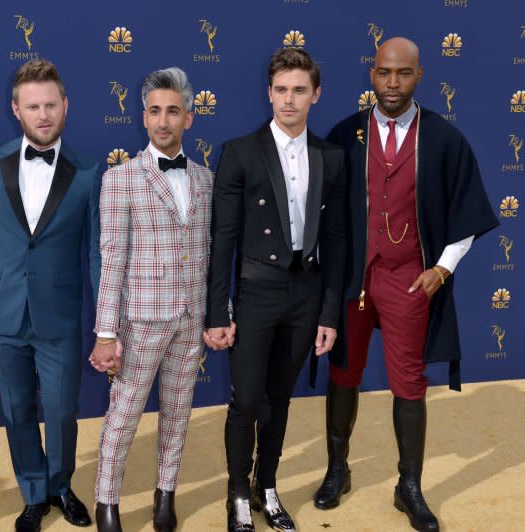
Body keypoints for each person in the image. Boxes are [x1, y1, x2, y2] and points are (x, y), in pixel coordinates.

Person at [314, 37, 498, 532]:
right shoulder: (345, 134)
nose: (391, 84)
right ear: (371, 74)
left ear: (420, 76)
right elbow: (321, 215)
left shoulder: (443, 138)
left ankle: (408, 486)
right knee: (344, 372)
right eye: (383, 73)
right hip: (355, 277)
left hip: (409, 277)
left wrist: (442, 268)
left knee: (409, 382)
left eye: (402, 74)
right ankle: (337, 470)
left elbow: (469, 210)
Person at [205, 48, 346, 532]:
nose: (289, 100)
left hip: (306, 295)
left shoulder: (331, 156)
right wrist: (216, 314)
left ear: (316, 95)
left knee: (280, 398)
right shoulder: (240, 151)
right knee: (246, 399)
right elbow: (221, 238)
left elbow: (336, 240)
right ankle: (238, 494)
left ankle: (268, 486)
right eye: (281, 90)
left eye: (299, 90)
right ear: (269, 93)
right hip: (254, 291)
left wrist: (330, 312)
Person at [0, 58, 101, 532]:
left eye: (51, 105)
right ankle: (32, 493)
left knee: (62, 411)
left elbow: (98, 253)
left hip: (59, 315)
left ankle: (61, 486)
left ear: (66, 106)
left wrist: (105, 324)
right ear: (15, 110)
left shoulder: (88, 172)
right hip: (2, 315)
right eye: (32, 106)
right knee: (17, 408)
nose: (43, 115)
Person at [90, 67, 213, 532]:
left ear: (189, 118)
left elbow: (209, 253)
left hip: (190, 316)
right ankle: (107, 502)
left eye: (174, 112)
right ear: (143, 118)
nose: (164, 122)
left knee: (179, 413)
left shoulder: (206, 180)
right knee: (123, 417)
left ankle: (166, 494)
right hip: (140, 320)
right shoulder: (120, 179)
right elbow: (111, 261)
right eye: (156, 112)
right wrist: (106, 332)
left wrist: (213, 315)